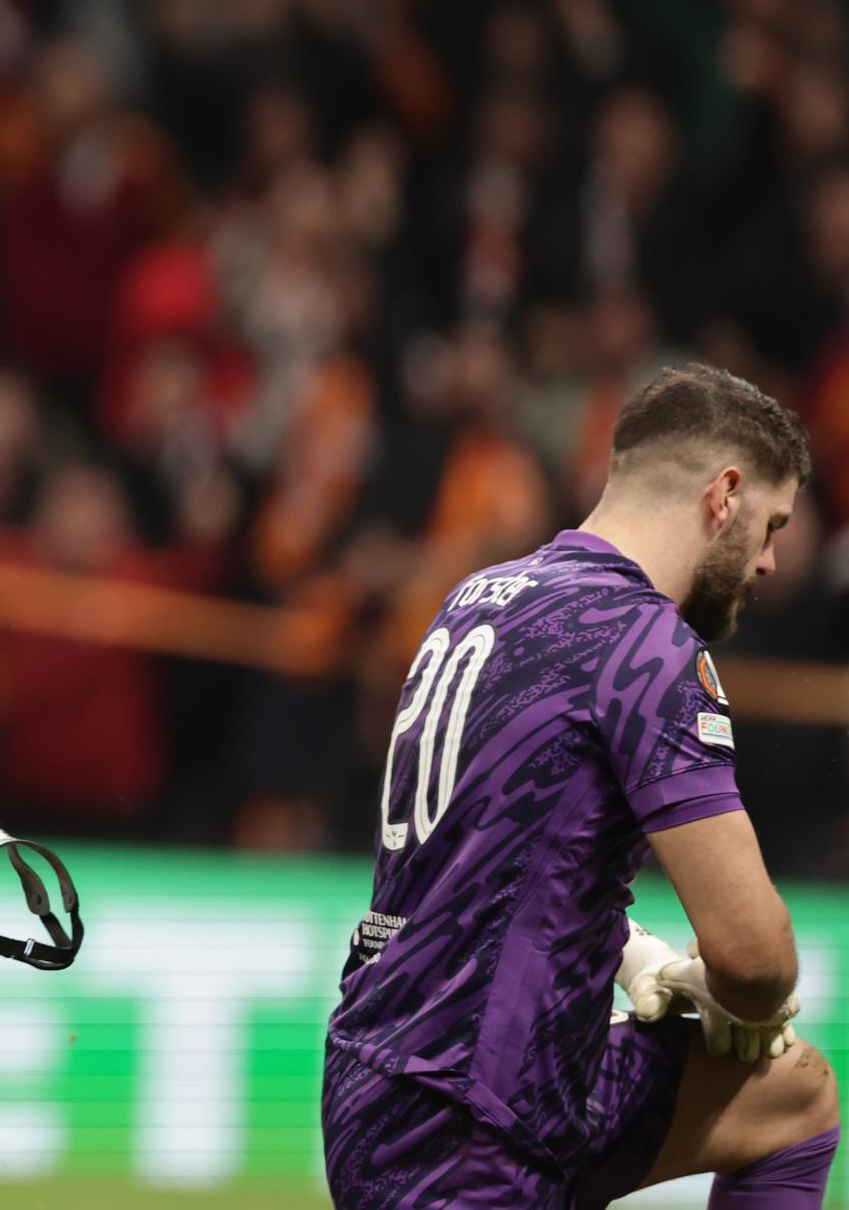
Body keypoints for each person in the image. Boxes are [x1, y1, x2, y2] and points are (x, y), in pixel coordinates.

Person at [323, 364, 839, 1208]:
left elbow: (482, 863)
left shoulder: (479, 599)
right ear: (725, 494)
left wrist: (634, 953)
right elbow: (753, 962)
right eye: (771, 526)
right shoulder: (643, 644)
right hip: (476, 1124)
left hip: (378, 1081)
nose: (772, 562)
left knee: (793, 1096)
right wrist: (730, 982)